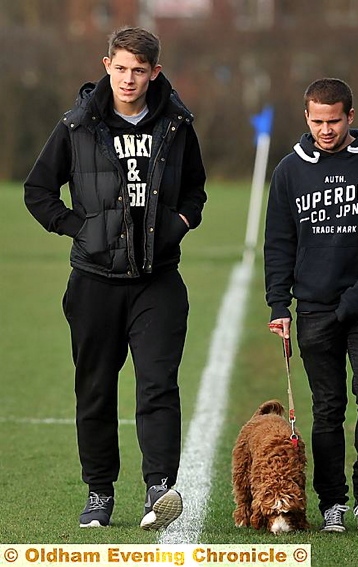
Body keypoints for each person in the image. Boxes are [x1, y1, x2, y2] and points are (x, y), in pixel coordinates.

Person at [24, 27, 207, 530]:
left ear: (155, 73)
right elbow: (38, 190)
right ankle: (99, 493)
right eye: (121, 68)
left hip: (158, 281)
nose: (129, 79)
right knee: (96, 390)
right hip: (94, 283)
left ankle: (158, 489)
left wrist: (180, 224)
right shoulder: (76, 125)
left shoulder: (176, 125)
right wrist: (79, 230)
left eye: (139, 70)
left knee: (157, 386)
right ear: (106, 65)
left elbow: (196, 191)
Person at [264, 78, 358, 533]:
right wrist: (278, 304)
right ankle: (333, 505)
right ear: (305, 117)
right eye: (316, 120)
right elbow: (279, 243)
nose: (324, 130)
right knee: (327, 409)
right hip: (314, 310)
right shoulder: (290, 170)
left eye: (333, 120)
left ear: (350, 116)